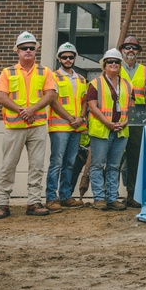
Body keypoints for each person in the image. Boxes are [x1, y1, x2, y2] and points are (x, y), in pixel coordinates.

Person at [0, 31, 57, 219]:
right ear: (17, 51)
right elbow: (1, 97)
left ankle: (34, 202)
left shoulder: (45, 72)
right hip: (14, 127)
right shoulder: (7, 72)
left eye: (31, 48)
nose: (28, 51)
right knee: (8, 166)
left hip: (36, 126)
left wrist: (32, 110)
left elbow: (50, 95)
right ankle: (2, 204)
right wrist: (23, 111)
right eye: (24, 48)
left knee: (36, 166)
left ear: (35, 50)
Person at [85, 48, 131, 211]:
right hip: (102, 131)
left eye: (116, 62)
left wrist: (124, 122)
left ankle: (112, 198)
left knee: (114, 166)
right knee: (98, 165)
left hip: (120, 131)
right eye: (110, 61)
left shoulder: (126, 84)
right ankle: (99, 198)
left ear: (121, 65)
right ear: (104, 65)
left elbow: (130, 106)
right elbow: (92, 107)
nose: (113, 64)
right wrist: (108, 123)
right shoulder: (95, 83)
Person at [45, 42, 86, 212]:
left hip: (76, 127)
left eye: (70, 57)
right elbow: (53, 101)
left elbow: (84, 101)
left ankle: (66, 196)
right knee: (56, 162)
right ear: (59, 58)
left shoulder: (81, 79)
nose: (68, 59)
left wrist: (81, 117)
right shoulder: (52, 77)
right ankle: (51, 197)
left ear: (75, 58)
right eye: (64, 57)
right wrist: (70, 118)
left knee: (69, 163)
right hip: (60, 127)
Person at [119, 35, 146, 208]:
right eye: (127, 47)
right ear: (122, 51)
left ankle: (132, 194)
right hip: (117, 118)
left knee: (135, 158)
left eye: (134, 48)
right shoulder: (113, 67)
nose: (130, 50)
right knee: (114, 158)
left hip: (138, 119)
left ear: (138, 52)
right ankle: (110, 195)